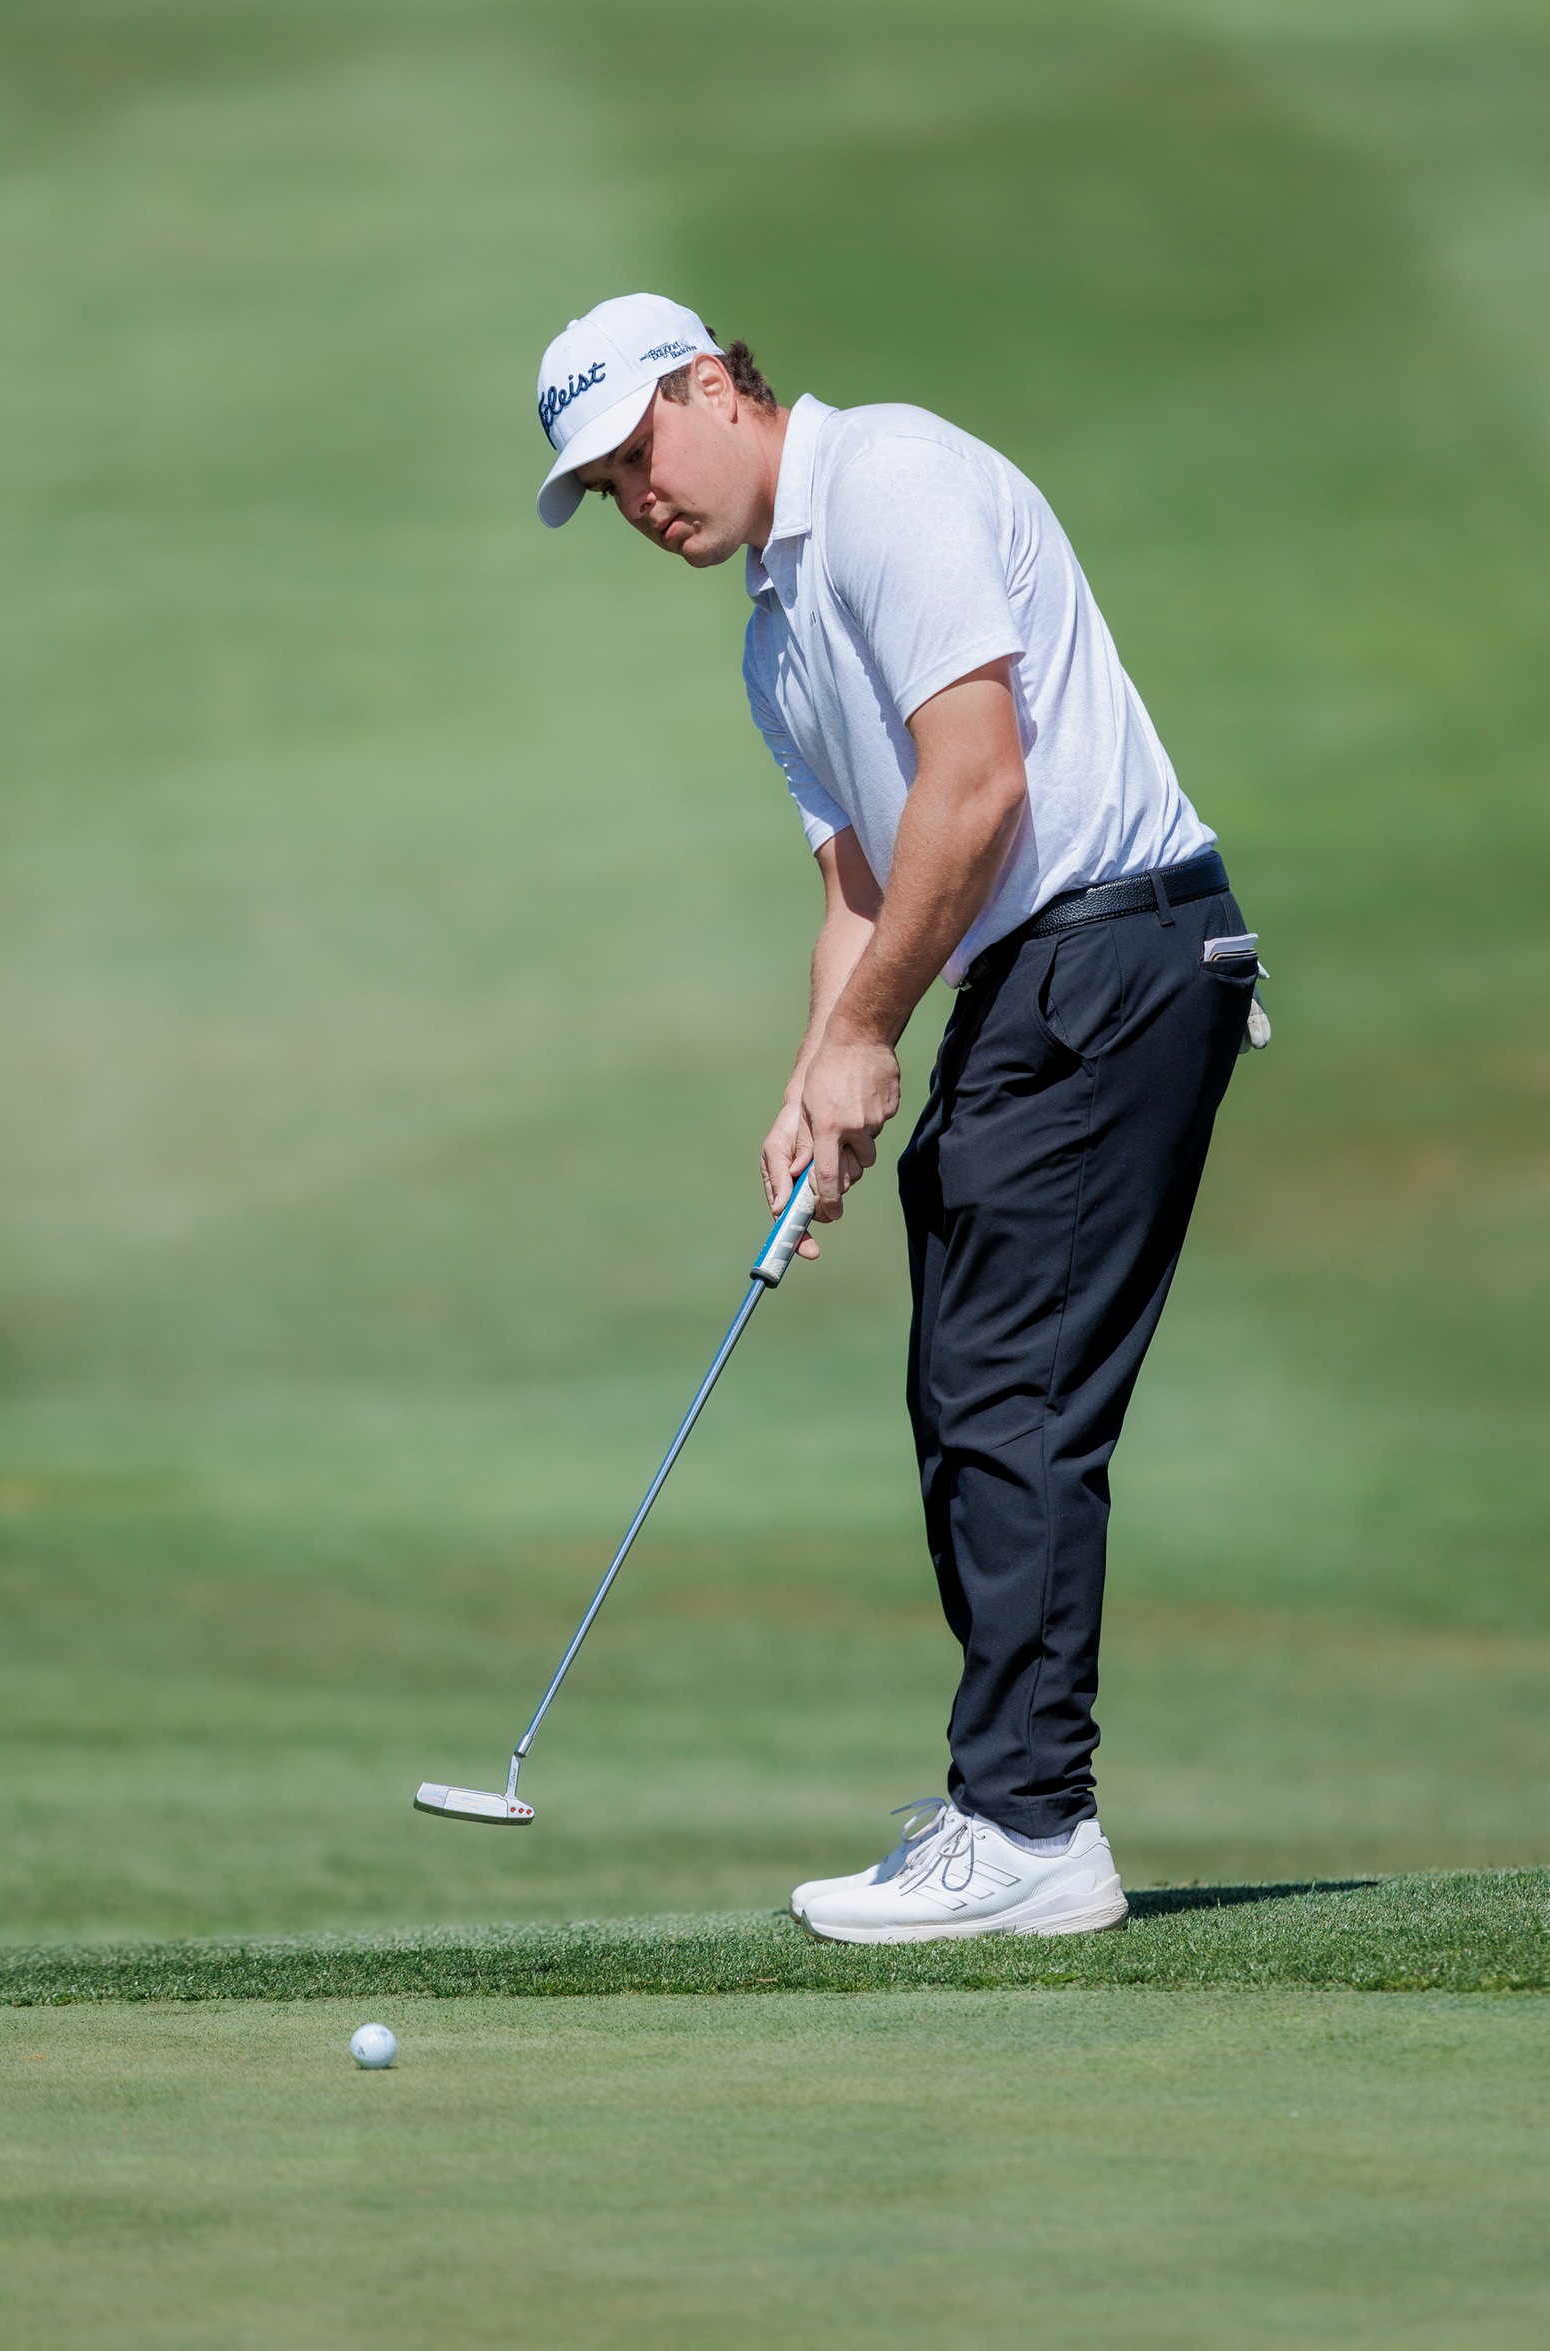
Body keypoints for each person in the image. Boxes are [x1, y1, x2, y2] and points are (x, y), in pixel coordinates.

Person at [535, 293, 1261, 1942]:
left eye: (640, 453)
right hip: (1039, 977)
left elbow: (980, 783)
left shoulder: (889, 482)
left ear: (712, 385)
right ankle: (1013, 1807)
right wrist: (817, 1076)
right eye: (606, 488)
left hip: (1109, 948)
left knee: (1010, 1389)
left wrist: (872, 1034)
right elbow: (860, 893)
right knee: (969, 1386)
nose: (639, 501)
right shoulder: (772, 635)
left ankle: (1031, 1829)